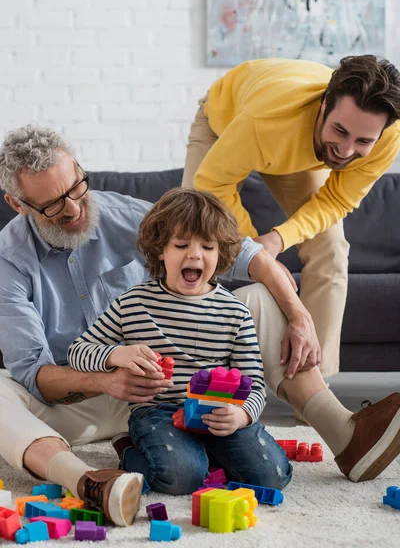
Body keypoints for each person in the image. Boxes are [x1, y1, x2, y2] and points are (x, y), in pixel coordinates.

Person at [0, 125, 397, 526]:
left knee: (260, 297)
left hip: (171, 392)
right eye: (52, 204)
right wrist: (105, 380)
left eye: (76, 189)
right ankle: (90, 479)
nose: (73, 209)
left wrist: (299, 313)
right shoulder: (8, 260)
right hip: (78, 399)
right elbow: (35, 373)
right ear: (18, 205)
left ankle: (343, 432)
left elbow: (237, 249)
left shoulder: (119, 213)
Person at [182, 55, 400, 380]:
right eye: (339, 130)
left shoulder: (387, 136)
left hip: (292, 151)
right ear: (325, 105)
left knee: (331, 249)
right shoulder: (266, 120)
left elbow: (337, 199)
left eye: (362, 141)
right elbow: (213, 182)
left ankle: (315, 391)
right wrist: (256, 255)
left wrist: (279, 238)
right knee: (192, 240)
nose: (345, 149)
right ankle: (186, 378)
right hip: (224, 123)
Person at [67, 188, 293, 494]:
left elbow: (253, 383)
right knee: (181, 477)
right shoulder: (133, 302)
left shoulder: (235, 312)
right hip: (158, 413)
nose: (195, 254)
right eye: (182, 244)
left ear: (220, 254)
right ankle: (129, 449)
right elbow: (78, 352)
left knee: (274, 476)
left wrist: (241, 416)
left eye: (208, 247)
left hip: (219, 411)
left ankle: (205, 456)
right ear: (161, 250)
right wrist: (116, 355)